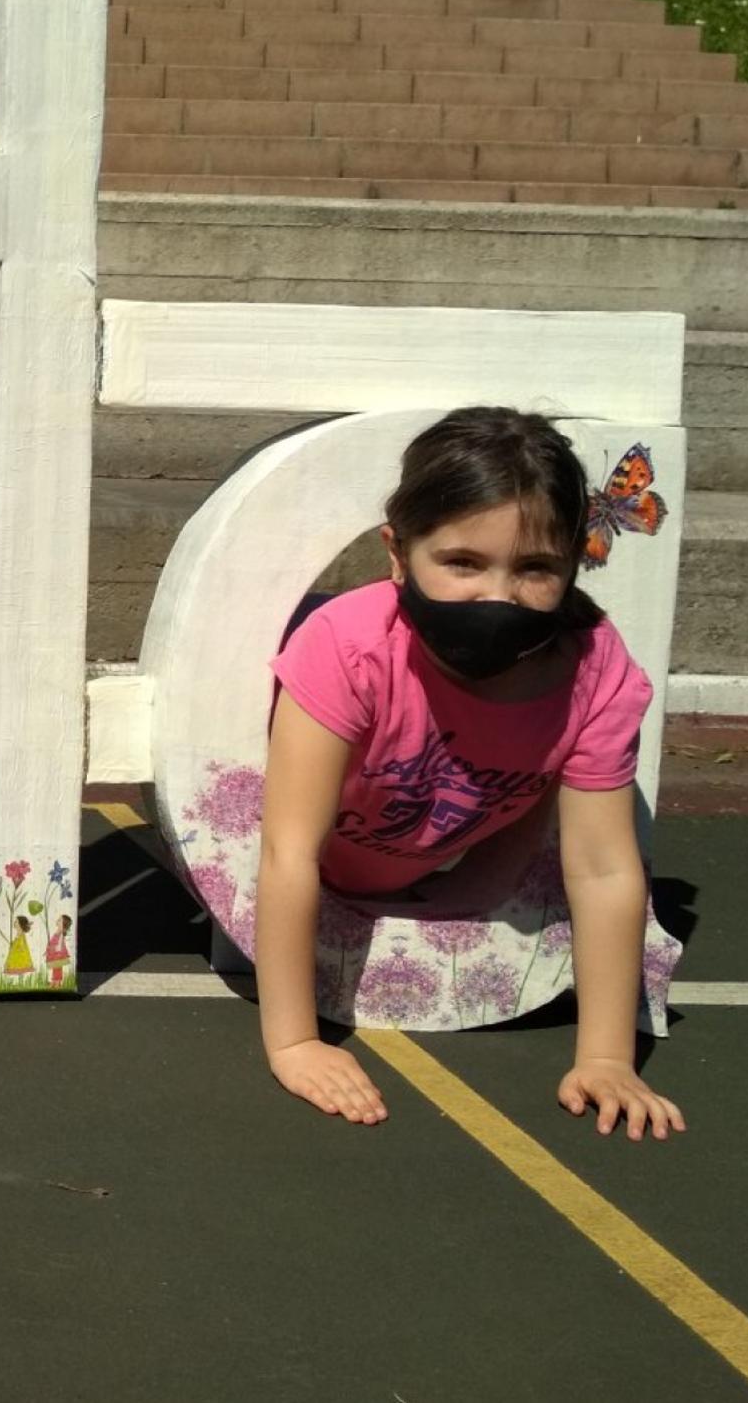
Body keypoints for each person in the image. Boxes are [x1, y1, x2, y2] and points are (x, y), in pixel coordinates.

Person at [257, 408, 684, 1141]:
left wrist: (608, 1055)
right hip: (298, 863)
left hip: (421, 868)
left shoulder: (597, 674)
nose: (497, 595)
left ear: (573, 564)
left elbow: (604, 867)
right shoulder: (349, 647)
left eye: (535, 569)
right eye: (461, 563)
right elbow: (287, 849)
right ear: (398, 553)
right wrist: (295, 1042)